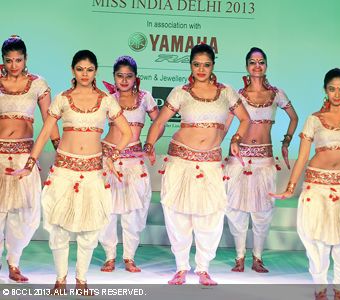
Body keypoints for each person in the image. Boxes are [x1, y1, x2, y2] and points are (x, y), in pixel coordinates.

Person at [8, 50, 132, 292]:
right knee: (59, 229)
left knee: (89, 230)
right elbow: (45, 133)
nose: (84, 74)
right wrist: (29, 164)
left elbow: (127, 133)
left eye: (89, 69)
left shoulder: (106, 100)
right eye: (80, 69)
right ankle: (61, 279)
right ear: (72, 70)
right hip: (64, 170)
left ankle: (82, 280)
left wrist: (112, 155)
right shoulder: (63, 99)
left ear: (95, 71)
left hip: (93, 172)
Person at [144, 43, 250, 286]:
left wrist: (235, 139)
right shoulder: (181, 92)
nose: (201, 69)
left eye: (206, 64)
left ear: (213, 65)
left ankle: (203, 268)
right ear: (190, 65)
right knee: (178, 215)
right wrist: (149, 145)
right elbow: (159, 122)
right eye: (196, 64)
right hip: (181, 160)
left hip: (210, 162)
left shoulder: (226, 92)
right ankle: (181, 267)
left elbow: (245, 119)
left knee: (210, 216)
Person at [270, 68, 340, 300]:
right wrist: (290, 187)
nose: (337, 94)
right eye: (332, 89)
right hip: (317, 186)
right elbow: (303, 157)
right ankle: (320, 288)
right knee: (316, 241)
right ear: (325, 90)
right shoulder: (314, 119)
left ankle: (339, 289)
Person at [224, 47, 298, 273]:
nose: (257, 66)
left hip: (265, 159)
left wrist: (286, 142)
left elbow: (294, 117)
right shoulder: (237, 95)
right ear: (246, 66)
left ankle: (257, 257)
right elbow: (226, 124)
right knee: (235, 209)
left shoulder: (277, 94)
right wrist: (219, 145)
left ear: (266, 65)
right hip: (240, 159)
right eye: (253, 62)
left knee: (263, 211)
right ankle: (239, 257)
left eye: (261, 62)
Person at [0, 35, 59, 282]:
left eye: (18, 60)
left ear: (26, 59)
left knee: (24, 214)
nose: (14, 65)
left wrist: (59, 148)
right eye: (9, 60)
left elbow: (50, 119)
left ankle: (14, 263)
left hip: (25, 156)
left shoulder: (37, 84)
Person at [99, 56, 160, 273]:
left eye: (129, 76)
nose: (124, 80)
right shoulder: (107, 98)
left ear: (136, 78)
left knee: (132, 214)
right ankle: (109, 256)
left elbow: (159, 122)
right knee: (107, 211)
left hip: (134, 161)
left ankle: (129, 257)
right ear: (114, 77)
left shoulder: (145, 98)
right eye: (119, 76)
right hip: (109, 159)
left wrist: (150, 144)